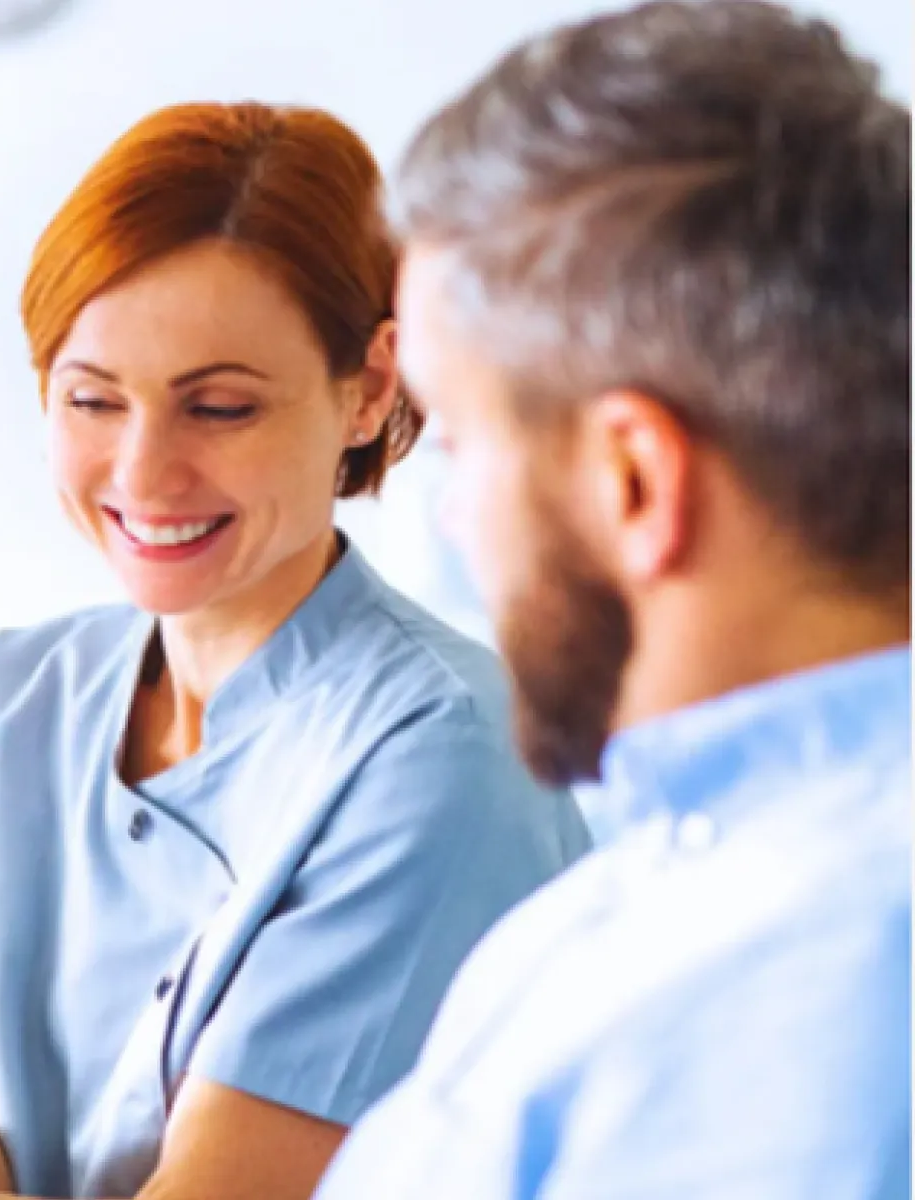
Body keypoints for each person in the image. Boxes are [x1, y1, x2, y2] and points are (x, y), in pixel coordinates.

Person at [0, 101, 591, 1199]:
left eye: (219, 408)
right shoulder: (30, 699)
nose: (141, 474)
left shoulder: (439, 750)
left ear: (370, 389)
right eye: (91, 399)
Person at [313, 2, 913, 1197]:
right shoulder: (655, 888)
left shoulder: (807, 991)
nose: (448, 518)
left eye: (460, 444)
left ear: (631, 480)